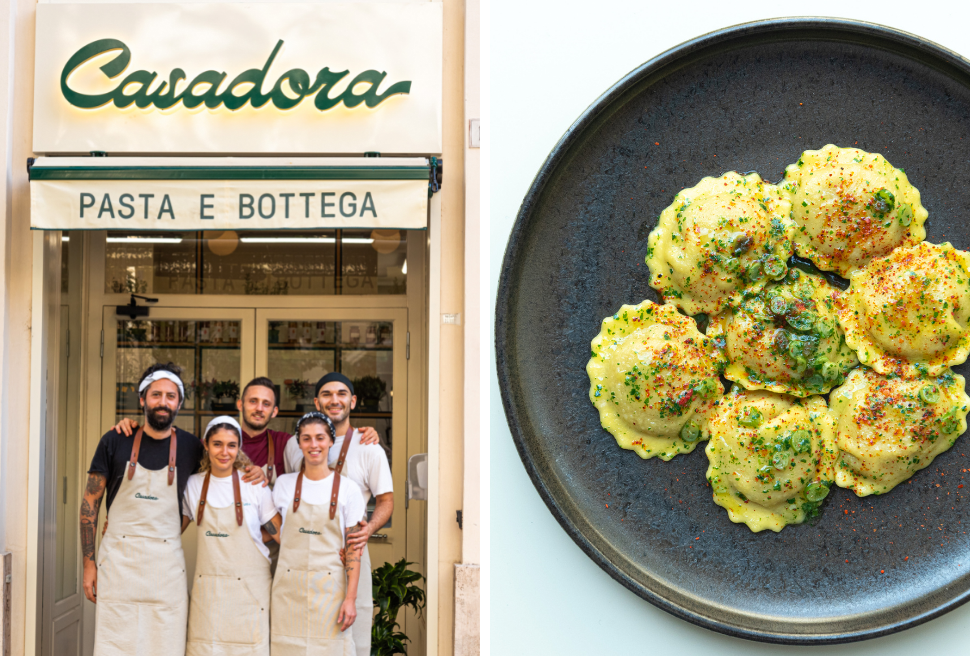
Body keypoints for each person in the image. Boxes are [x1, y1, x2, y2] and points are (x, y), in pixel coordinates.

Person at [81, 363, 266, 656]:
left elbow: (224, 458)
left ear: (179, 403)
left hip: (165, 571)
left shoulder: (191, 446)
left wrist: (253, 470)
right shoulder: (115, 439)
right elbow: (89, 504)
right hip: (118, 567)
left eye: (170, 396)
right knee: (115, 645)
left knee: (165, 645)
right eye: (156, 395)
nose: (163, 402)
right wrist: (89, 564)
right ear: (142, 399)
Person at [283, 372, 393, 656]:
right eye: (327, 394)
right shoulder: (294, 445)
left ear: (353, 401)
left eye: (342, 394)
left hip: (351, 551)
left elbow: (386, 501)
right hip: (303, 552)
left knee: (352, 635)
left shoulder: (370, 447)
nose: (335, 400)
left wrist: (365, 532)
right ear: (317, 402)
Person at [182, 416, 281, 656]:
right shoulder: (193, 485)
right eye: (217, 444)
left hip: (250, 593)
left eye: (231, 445)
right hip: (209, 597)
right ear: (206, 445)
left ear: (238, 448)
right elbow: (171, 529)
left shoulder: (254, 485)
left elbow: (281, 535)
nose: (224, 452)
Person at [271, 411, 366, 655]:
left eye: (320, 438)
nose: (314, 445)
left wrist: (351, 599)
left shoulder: (348, 489)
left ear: (331, 441)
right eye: (306, 438)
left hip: (331, 595)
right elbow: (274, 530)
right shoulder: (283, 484)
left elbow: (354, 548)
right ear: (299, 443)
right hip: (288, 594)